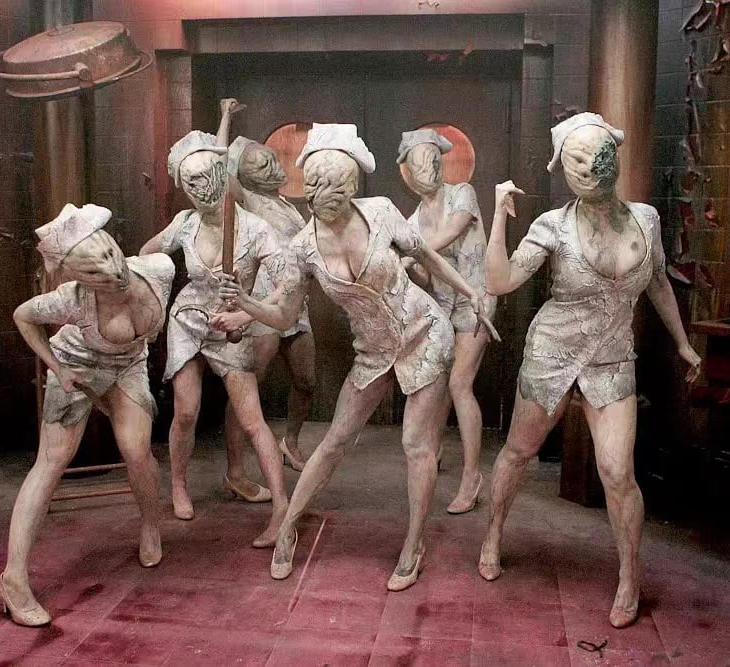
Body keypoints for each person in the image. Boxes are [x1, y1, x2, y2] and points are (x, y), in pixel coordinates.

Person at [215, 123, 497, 591]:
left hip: (425, 334)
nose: (329, 194)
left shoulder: (382, 212)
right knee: (335, 439)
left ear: (351, 185)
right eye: (320, 184)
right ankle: (288, 527)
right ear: (309, 188)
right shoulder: (303, 247)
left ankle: (413, 545)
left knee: (416, 444)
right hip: (372, 349)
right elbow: (283, 312)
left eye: (339, 184)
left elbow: (426, 255)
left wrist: (471, 294)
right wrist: (245, 303)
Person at [480, 113, 701, 628]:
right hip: (552, 352)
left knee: (618, 472)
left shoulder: (646, 219)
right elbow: (500, 282)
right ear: (562, 170)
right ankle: (492, 533)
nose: (589, 167)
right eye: (576, 160)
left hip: (612, 357)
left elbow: (658, 283)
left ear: (614, 160)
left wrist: (683, 343)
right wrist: (498, 217)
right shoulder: (552, 225)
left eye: (598, 155)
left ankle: (629, 575)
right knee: (519, 451)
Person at [0, 203, 174, 626]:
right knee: (52, 461)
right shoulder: (71, 300)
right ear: (79, 278)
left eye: (110, 255)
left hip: (127, 365)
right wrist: (57, 369)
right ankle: (13, 579)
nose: (112, 272)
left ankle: (151, 526)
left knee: (136, 450)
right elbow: (23, 315)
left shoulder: (160, 269)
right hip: (76, 364)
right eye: (94, 273)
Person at [139, 99, 287, 546]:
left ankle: (282, 507)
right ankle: (178, 485)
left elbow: (288, 284)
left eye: (210, 177)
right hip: (188, 321)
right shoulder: (184, 224)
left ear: (224, 176)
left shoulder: (255, 230)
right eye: (192, 181)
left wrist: (247, 310)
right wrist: (154, 294)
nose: (203, 189)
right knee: (186, 410)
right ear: (182, 186)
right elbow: (146, 255)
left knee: (252, 419)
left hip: (231, 329)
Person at [398, 128, 497, 514]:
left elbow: (453, 231)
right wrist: (411, 267)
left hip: (476, 300)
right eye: (420, 164)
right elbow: (426, 276)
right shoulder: (411, 221)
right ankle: (433, 450)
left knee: (460, 383)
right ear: (407, 174)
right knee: (437, 383)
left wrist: (410, 252)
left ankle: (472, 476)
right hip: (441, 308)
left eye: (434, 160)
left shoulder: (462, 194)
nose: (429, 169)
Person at [225, 128, 316, 472]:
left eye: (272, 160)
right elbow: (222, 171)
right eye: (261, 166)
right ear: (244, 177)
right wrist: (225, 120)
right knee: (247, 385)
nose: (274, 168)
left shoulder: (286, 204)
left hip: (294, 301)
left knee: (306, 380)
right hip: (262, 301)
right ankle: (236, 465)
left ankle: (289, 442)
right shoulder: (246, 200)